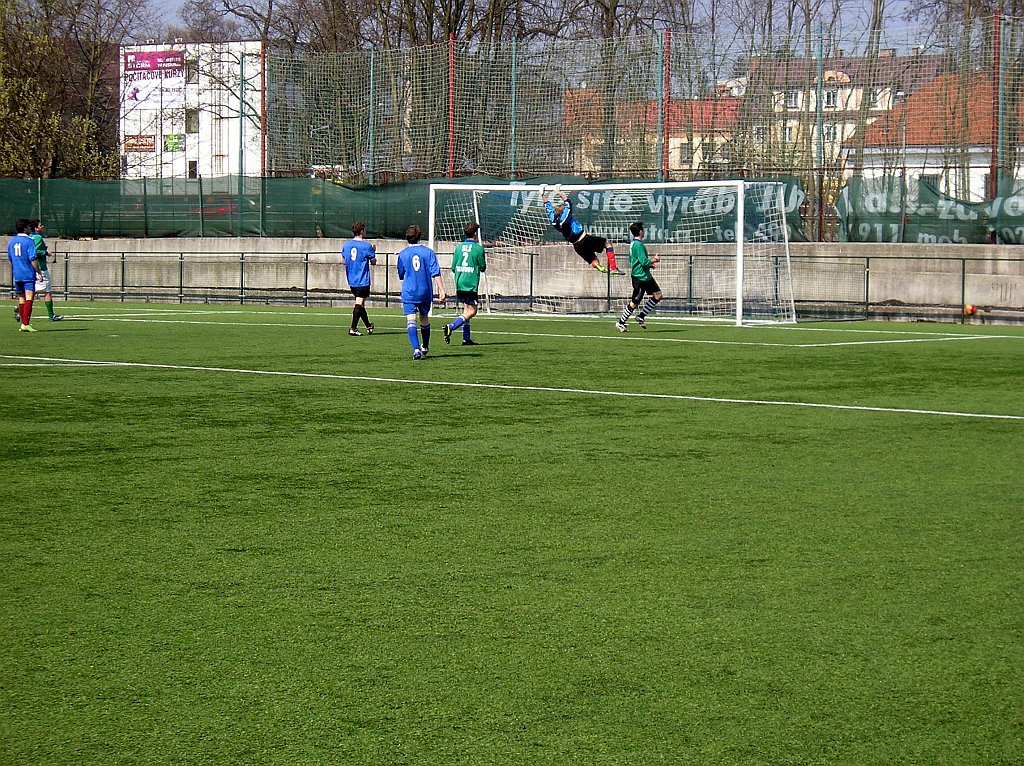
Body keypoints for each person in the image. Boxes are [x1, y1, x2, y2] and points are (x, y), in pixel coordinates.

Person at [539, 183, 622, 274]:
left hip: (577, 246)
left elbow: (547, 206)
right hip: (584, 239)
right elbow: (568, 203)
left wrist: (542, 194)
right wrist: (559, 192)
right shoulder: (565, 217)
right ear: (562, 212)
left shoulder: (553, 219)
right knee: (607, 243)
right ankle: (614, 268)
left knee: (592, 259)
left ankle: (597, 265)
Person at [396, 224, 446, 360]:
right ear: (419, 236)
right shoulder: (428, 252)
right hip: (424, 291)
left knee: (410, 319)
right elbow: (435, 272)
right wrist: (442, 290)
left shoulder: (403, 254)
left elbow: (401, 274)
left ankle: (416, 349)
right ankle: (425, 346)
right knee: (424, 318)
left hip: (409, 291)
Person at [443, 222, 486, 347]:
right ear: (475, 234)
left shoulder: (458, 247)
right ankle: (451, 326)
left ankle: (466, 338)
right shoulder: (478, 249)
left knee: (466, 309)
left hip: (460, 281)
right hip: (470, 283)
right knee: (472, 311)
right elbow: (483, 267)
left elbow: (453, 267)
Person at [615, 220, 663, 332]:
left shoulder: (634, 244)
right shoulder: (638, 245)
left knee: (658, 295)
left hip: (645, 276)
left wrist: (650, 265)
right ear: (641, 231)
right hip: (640, 277)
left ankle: (641, 316)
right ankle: (621, 322)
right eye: (643, 230)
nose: (644, 231)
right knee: (635, 302)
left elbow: (637, 261)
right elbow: (643, 262)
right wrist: (654, 260)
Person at [341, 220, 376, 336]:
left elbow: (343, 261)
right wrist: (373, 252)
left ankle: (368, 326)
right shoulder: (367, 246)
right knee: (358, 304)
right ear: (361, 231)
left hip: (351, 280)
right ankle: (353, 328)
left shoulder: (346, 246)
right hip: (362, 280)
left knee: (361, 304)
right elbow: (373, 262)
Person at [8, 218, 42, 332]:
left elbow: (10, 258)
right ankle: (25, 323)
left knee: (21, 298)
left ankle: (23, 324)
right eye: (28, 227)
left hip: (17, 274)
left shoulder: (12, 241)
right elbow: (33, 258)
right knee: (29, 298)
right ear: (25, 228)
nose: (29, 229)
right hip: (28, 274)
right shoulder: (29, 241)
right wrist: (38, 272)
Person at [27, 220, 63, 322]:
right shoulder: (37, 237)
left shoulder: (29, 237)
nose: (43, 226)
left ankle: (22, 309)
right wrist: (46, 252)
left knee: (32, 291)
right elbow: (35, 252)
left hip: (30, 267)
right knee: (47, 291)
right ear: (36, 228)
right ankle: (51, 315)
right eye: (40, 225)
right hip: (40, 267)